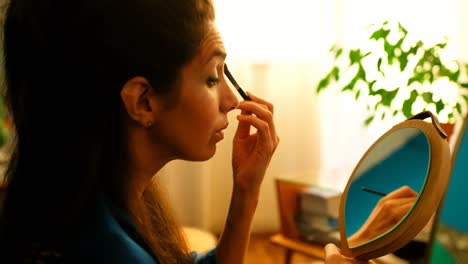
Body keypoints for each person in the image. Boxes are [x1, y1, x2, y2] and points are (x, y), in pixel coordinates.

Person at [0, 0, 279, 263]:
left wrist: (245, 192)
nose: (231, 101)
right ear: (142, 101)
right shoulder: (109, 251)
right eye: (211, 78)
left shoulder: (88, 197)